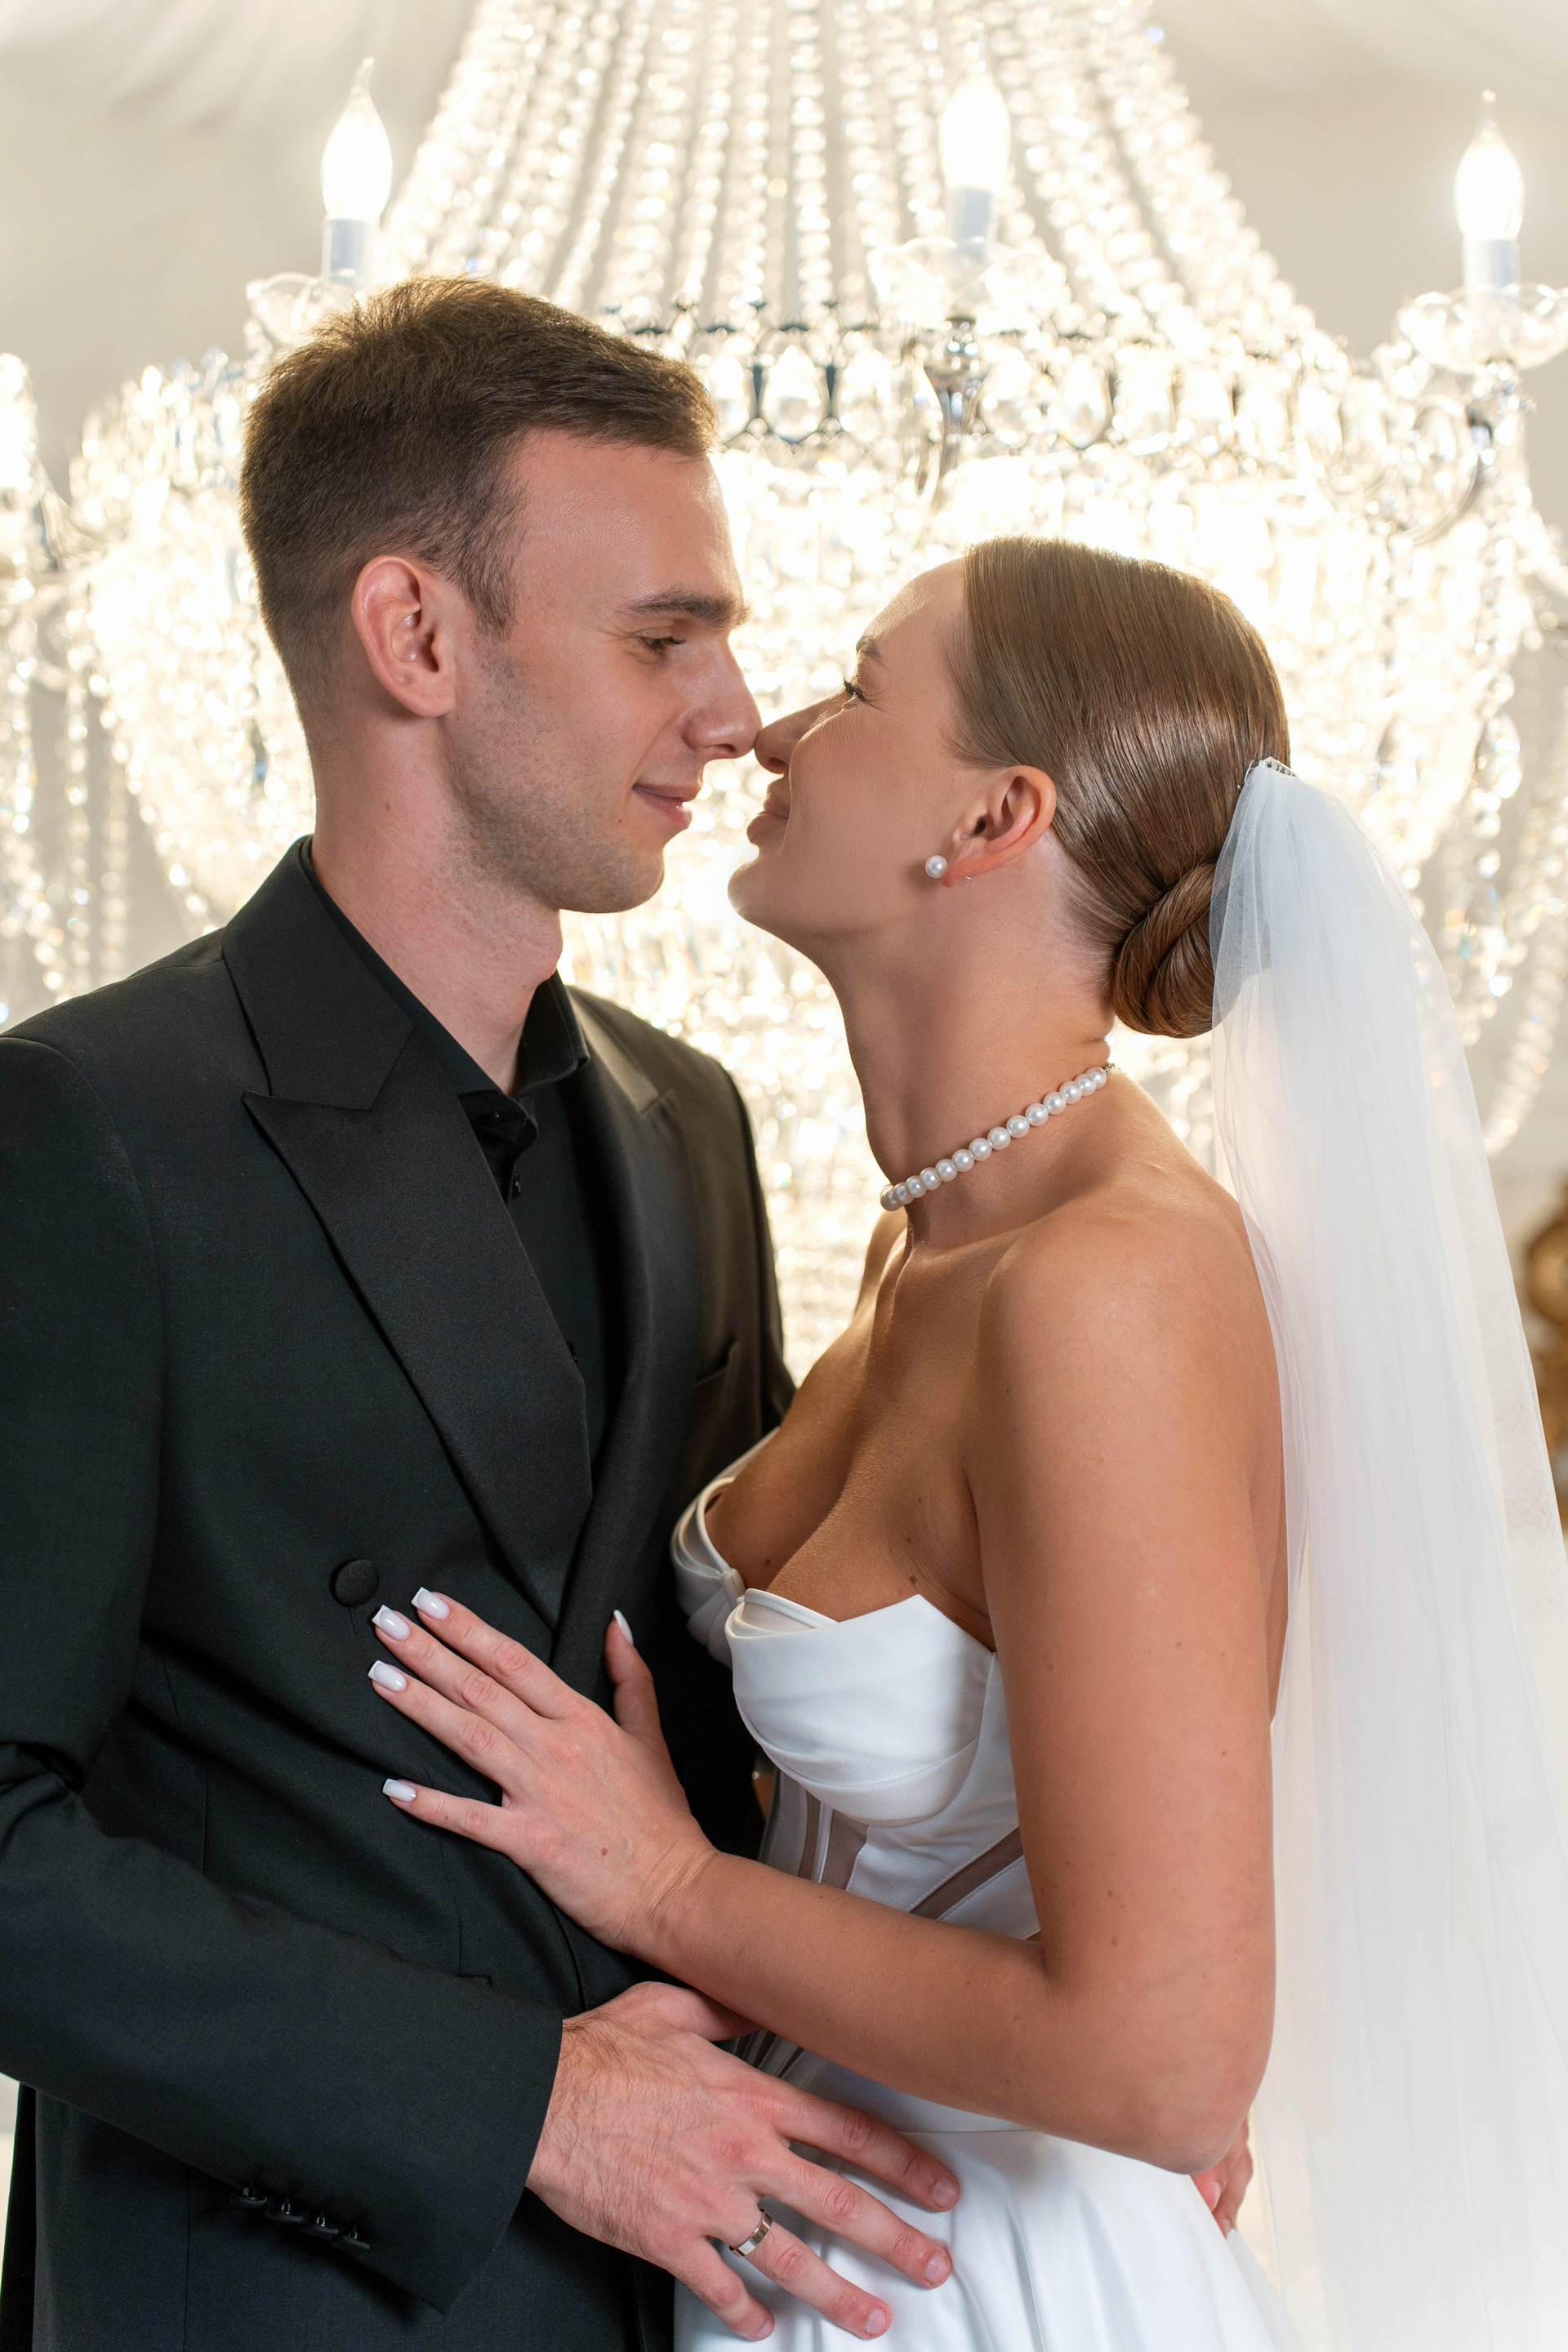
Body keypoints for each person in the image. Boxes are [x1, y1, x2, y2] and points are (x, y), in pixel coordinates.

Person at [363, 538, 1568, 2350]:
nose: (770, 729)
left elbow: (1163, 2059)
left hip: (991, 2276)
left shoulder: (1106, 1288)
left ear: (995, 818)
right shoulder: (926, 1246)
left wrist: (671, 1884)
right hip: (799, 2231)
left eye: (857, 686)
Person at [0, 278, 973, 2352]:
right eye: (663, 636)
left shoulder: (691, 1124)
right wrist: (524, 2104)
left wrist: (1060, 2038)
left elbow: (751, 1723)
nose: (737, 712)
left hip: (708, 2288)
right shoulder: (86, 1128)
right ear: (418, 638)